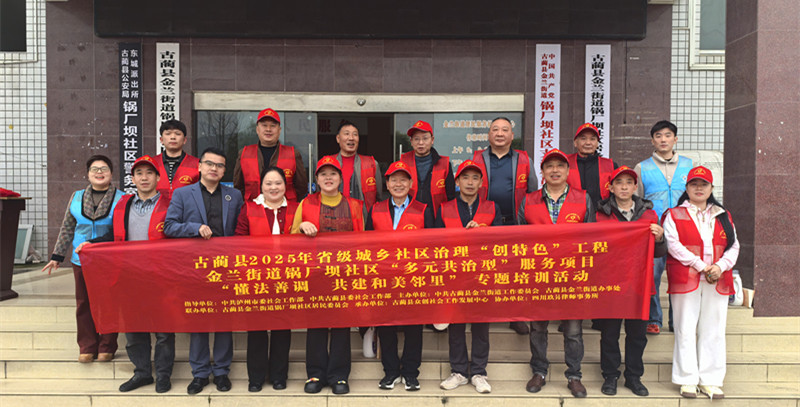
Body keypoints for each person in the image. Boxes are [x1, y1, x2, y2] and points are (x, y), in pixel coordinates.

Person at [76, 155, 175, 393]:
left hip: (161, 276)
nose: (144, 177)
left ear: (158, 178)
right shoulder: (124, 204)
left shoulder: (170, 204)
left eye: (149, 173)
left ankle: (163, 375)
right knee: (134, 328)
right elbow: (113, 235)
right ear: (133, 179)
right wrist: (92, 244)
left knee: (163, 330)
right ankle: (142, 373)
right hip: (130, 276)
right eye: (139, 173)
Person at [164, 147, 244, 395]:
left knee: (224, 319)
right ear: (199, 166)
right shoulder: (182, 194)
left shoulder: (234, 195)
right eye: (209, 163)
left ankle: (221, 371)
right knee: (198, 318)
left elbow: (242, 230)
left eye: (219, 165)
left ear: (224, 170)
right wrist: (194, 228)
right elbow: (169, 226)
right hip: (194, 268)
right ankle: (199, 373)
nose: (214, 169)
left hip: (225, 267)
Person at [517, 148, 595, 398]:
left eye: (560, 166)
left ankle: (574, 376)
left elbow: (592, 237)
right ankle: (539, 371)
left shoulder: (583, 198)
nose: (555, 170)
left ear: (568, 170)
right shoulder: (529, 200)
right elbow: (518, 238)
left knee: (572, 329)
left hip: (572, 275)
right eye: (549, 166)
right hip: (538, 274)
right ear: (542, 172)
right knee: (538, 327)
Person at [662, 166, 739, 399]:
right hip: (686, 278)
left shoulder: (723, 215)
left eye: (703, 184)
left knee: (714, 329)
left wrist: (720, 266)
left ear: (711, 188)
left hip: (717, 279)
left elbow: (734, 245)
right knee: (685, 327)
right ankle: (687, 379)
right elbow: (673, 245)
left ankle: (711, 380)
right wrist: (701, 265)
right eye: (694, 184)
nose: (699, 188)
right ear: (686, 188)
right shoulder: (674, 214)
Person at [291, 156, 366, 395]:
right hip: (315, 275)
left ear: (341, 179)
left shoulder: (354, 205)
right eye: (323, 174)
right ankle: (315, 373)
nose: (328, 178)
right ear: (316, 179)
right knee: (316, 326)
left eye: (333, 174)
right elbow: (291, 236)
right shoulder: (306, 203)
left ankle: (339, 375)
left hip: (344, 275)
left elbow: (362, 239)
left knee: (342, 326)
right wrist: (301, 227)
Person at [42, 155, 124, 363]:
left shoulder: (122, 198)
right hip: (81, 259)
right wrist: (57, 256)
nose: (99, 172)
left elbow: (121, 230)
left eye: (104, 168)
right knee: (83, 303)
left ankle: (107, 346)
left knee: (109, 302)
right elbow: (67, 227)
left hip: (109, 258)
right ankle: (87, 346)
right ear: (87, 174)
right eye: (94, 169)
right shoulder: (77, 196)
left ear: (111, 173)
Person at [595, 165, 667, 397]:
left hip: (639, 284)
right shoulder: (599, 214)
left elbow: (658, 253)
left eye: (628, 182)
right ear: (611, 187)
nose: (624, 187)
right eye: (619, 182)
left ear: (635, 187)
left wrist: (660, 238)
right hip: (611, 284)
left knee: (637, 334)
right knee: (609, 334)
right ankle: (610, 375)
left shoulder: (649, 214)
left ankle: (634, 377)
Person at [365, 161, 434, 392]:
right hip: (383, 277)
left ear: (411, 183)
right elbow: (366, 243)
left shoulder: (423, 209)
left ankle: (411, 373)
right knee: (386, 326)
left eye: (403, 179)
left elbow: (432, 245)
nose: (398, 184)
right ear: (386, 184)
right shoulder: (376, 209)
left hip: (413, 277)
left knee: (414, 327)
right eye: (393, 180)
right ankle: (391, 372)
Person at [436, 160, 502, 394]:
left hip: (482, 276)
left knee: (480, 326)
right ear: (457, 181)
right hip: (453, 275)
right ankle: (459, 371)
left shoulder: (492, 207)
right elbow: (435, 243)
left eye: (475, 178)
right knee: (456, 325)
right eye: (465, 177)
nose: (470, 182)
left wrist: (484, 233)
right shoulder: (444, 208)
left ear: (482, 182)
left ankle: (479, 372)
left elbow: (502, 241)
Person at [471, 116, 538, 335]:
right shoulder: (477, 158)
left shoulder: (524, 159)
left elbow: (533, 192)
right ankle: (483, 313)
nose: (500, 134)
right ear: (489, 134)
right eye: (495, 129)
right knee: (484, 270)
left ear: (512, 135)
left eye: (505, 130)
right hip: (484, 224)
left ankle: (515, 316)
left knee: (515, 271)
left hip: (514, 224)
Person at [234, 167, 297, 392]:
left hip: (287, 278)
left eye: (278, 183)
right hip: (257, 278)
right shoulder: (249, 208)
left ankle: (279, 376)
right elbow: (239, 239)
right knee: (257, 330)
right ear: (261, 186)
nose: (273, 187)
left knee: (282, 330)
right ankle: (256, 377)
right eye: (268, 183)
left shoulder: (296, 208)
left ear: (285, 186)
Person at [633, 120, 693, 335]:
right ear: (652, 141)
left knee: (681, 276)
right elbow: (636, 201)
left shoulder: (689, 165)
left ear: (675, 139)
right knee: (652, 276)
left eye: (667, 135)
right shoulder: (642, 167)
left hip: (684, 229)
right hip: (654, 231)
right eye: (658, 136)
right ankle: (653, 319)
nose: (663, 139)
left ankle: (677, 321)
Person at [233, 108, 308, 202]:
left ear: (279, 130)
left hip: (285, 208)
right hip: (252, 208)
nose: (268, 129)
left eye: (273, 126)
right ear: (257, 129)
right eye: (264, 125)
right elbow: (238, 186)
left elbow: (301, 187)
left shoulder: (293, 154)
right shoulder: (244, 153)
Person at [321, 120, 384, 209]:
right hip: (333, 214)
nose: (351, 138)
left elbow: (378, 197)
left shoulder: (371, 164)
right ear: (338, 138)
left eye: (355, 134)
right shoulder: (327, 163)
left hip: (362, 216)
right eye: (346, 134)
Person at [400, 120, 456, 213]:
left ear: (432, 140)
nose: (421, 143)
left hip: (437, 216)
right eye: (416, 139)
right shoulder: (403, 162)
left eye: (425, 138)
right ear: (411, 141)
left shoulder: (444, 164)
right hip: (410, 215)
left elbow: (451, 196)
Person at [566, 122, 619, 206]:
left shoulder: (610, 166)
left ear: (597, 143)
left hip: (602, 212)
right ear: (575, 142)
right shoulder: (565, 163)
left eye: (592, 139)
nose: (588, 143)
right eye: (583, 139)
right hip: (571, 212)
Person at [152, 119, 199, 201]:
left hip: (187, 208)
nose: (173, 137)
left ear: (184, 140)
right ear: (161, 140)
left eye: (177, 134)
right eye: (168, 134)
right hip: (156, 208)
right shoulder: (151, 163)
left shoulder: (198, 164)